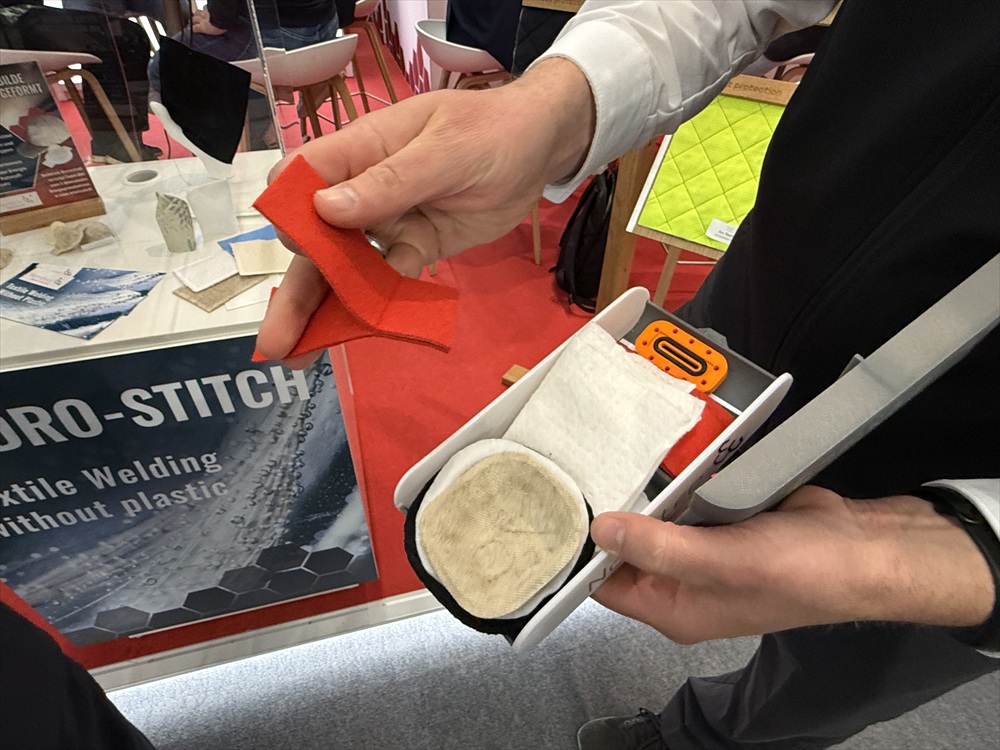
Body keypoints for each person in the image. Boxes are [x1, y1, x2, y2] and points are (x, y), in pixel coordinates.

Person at [254, 1, 999, 748]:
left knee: (832, 677)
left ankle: (699, 739)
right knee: (662, 509)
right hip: (745, 310)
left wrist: (967, 549)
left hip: (957, 460)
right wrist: (556, 105)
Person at [0, 0, 160, 162]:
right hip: (10, 22)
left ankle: (115, 141)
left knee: (111, 34)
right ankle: (117, 143)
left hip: (16, 18)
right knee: (125, 35)